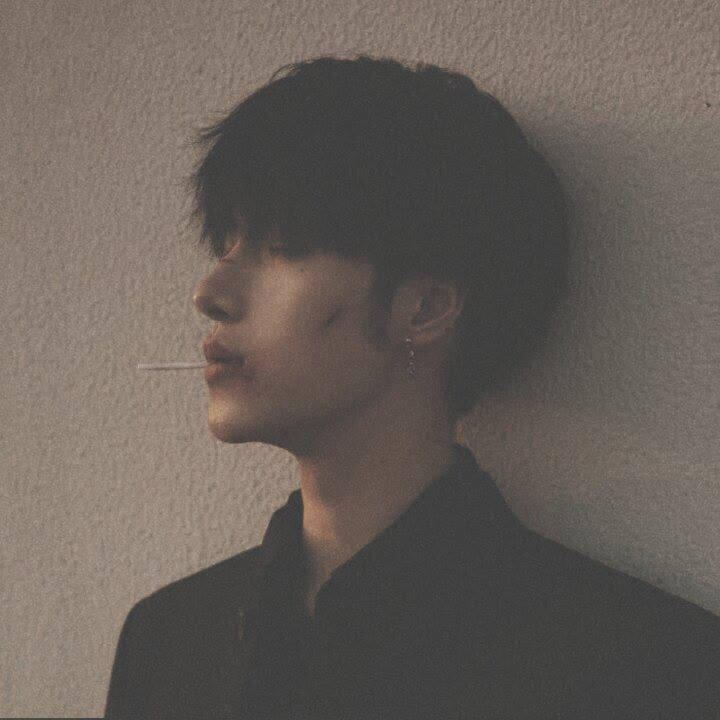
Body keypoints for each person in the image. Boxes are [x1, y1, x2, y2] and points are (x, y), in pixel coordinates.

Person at [104, 54, 720, 719]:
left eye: (286, 245)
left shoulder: (644, 664)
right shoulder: (169, 642)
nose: (209, 293)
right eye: (225, 244)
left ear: (424, 308)